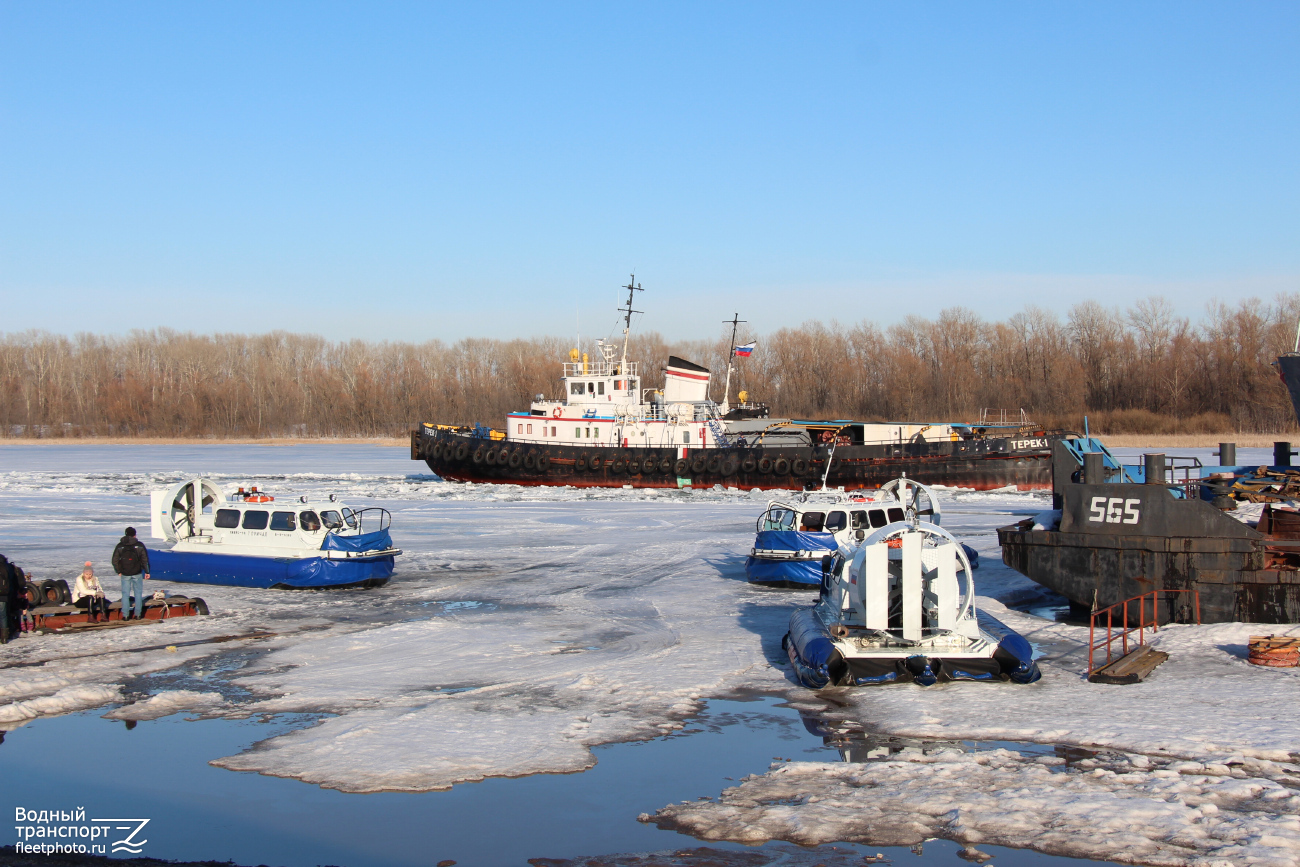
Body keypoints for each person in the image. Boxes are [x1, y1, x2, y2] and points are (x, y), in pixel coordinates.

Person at [112, 527, 150, 621]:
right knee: (138, 593)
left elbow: (114, 560)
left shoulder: (120, 545)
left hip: (125, 573)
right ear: (135, 534)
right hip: (137, 572)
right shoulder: (139, 545)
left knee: (125, 594)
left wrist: (119, 571)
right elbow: (144, 559)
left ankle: (125, 615)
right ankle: (138, 614)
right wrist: (147, 571)